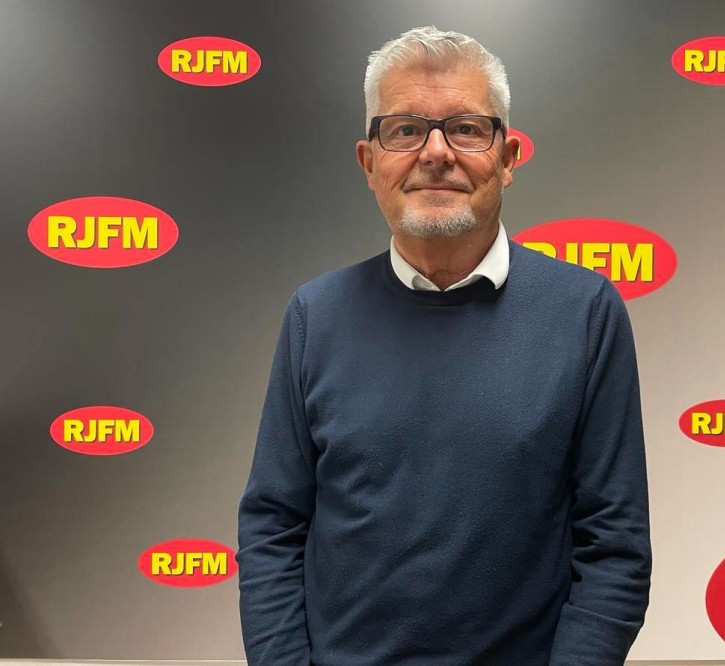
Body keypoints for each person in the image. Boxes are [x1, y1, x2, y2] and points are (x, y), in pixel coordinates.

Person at [237, 25, 651, 666]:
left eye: (466, 128)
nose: (435, 153)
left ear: (508, 158)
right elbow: (273, 525)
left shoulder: (585, 313)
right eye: (405, 130)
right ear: (369, 162)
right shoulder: (315, 316)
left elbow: (614, 546)